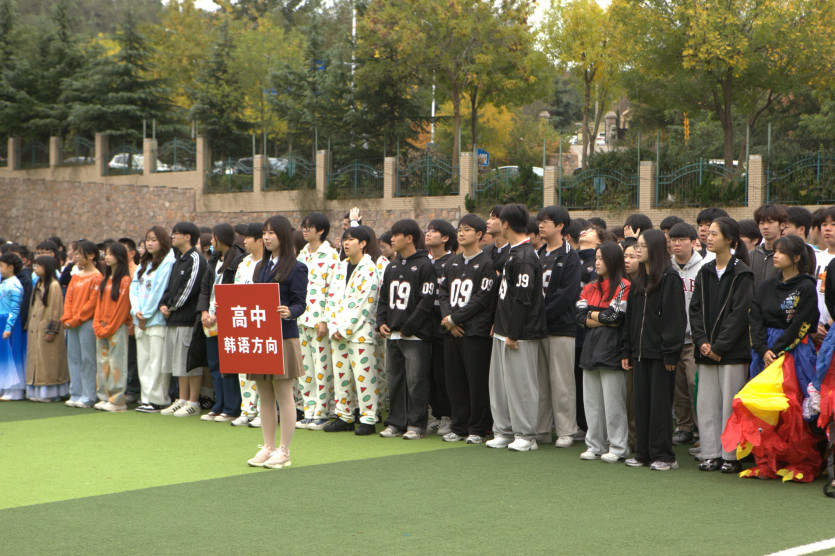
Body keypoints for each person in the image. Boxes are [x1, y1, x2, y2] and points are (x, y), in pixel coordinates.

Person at [725, 235, 821, 481]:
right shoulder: (766, 286)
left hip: (794, 352)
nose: (775, 255)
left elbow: (802, 323)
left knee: (793, 406)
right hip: (763, 352)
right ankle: (767, 461)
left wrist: (778, 350)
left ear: (796, 257)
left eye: (782, 252)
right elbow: (754, 317)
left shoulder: (806, 287)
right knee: (764, 407)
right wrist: (761, 348)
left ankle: (799, 462)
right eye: (775, 251)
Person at [688, 217, 753, 473]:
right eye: (708, 233)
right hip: (705, 352)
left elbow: (740, 314)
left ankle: (731, 456)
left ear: (729, 239)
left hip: (732, 353)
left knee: (729, 406)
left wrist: (719, 347)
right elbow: (695, 310)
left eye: (715, 234)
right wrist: (702, 342)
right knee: (706, 405)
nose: (709, 237)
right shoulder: (704, 271)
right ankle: (710, 454)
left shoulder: (742, 273)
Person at [621, 229, 686, 471]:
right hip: (640, 352)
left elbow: (675, 319)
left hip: (661, 355)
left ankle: (665, 455)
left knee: (660, 405)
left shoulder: (670, 278)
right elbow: (631, 318)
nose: (638, 250)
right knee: (641, 404)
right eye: (637, 246)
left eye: (642, 246)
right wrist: (627, 350)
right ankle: (643, 453)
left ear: (655, 248)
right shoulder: (639, 278)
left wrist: (670, 352)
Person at [246, 216, 308, 469]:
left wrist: (290, 311)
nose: (267, 237)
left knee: (284, 394)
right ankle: (268, 446)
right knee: (264, 394)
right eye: (264, 232)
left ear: (283, 235)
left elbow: (300, 302)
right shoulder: (260, 266)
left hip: (283, 336)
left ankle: (284, 450)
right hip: (262, 336)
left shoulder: (297, 267)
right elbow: (253, 298)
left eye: (271, 232)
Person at [486, 204, 547, 452]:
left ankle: (526, 435)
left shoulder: (524, 257)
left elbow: (523, 299)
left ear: (506, 224)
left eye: (497, 219)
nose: (493, 223)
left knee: (521, 385)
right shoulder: (514, 252)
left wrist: (513, 333)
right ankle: (504, 430)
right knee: (500, 386)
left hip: (520, 334)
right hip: (504, 330)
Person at [439, 214, 499, 443]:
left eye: (466, 229)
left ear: (479, 234)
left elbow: (482, 299)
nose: (461, 233)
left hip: (475, 333)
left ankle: (477, 429)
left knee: (476, 383)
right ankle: (459, 426)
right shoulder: (452, 262)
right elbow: (443, 293)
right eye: (459, 229)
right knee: (455, 382)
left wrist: (455, 318)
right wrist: (448, 320)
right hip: (452, 332)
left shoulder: (486, 264)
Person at [376, 219, 436, 440]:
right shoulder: (392, 266)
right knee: (395, 381)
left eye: (396, 235)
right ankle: (396, 422)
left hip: (416, 337)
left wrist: (409, 326)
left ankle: (416, 425)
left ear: (409, 238)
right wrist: (381, 321)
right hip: (392, 335)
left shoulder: (425, 265)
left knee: (416, 382)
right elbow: (383, 299)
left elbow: (426, 301)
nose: (392, 239)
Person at [324, 226, 382, 435]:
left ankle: (368, 418)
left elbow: (364, 304)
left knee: (364, 377)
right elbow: (331, 298)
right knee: (341, 377)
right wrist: (334, 326)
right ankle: (344, 416)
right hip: (337, 332)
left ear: (363, 243)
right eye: (344, 239)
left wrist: (345, 328)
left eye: (351, 239)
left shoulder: (370, 269)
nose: (346, 243)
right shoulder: (340, 267)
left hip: (361, 333)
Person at [576, 240, 631, 462]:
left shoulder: (624, 286)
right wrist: (601, 316)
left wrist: (592, 314)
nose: (597, 263)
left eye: (601, 258)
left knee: (613, 403)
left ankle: (618, 447)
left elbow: (615, 317)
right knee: (592, 403)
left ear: (613, 260)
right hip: (590, 351)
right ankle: (594, 445)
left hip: (612, 351)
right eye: (596, 258)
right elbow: (579, 318)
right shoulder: (590, 287)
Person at [536, 205, 581, 448]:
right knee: (540, 382)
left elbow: (567, 294)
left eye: (546, 221)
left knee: (562, 382)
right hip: (537, 329)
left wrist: (541, 316)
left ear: (560, 226)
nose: (541, 225)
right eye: (540, 221)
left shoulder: (569, 255)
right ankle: (542, 429)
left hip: (561, 328)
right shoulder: (538, 254)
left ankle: (566, 430)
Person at [295, 212, 340, 430]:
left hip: (318, 320)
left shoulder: (331, 256)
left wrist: (324, 319)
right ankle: (309, 410)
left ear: (320, 230)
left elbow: (333, 290)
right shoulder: (301, 255)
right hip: (299, 318)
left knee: (322, 367)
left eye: (309, 227)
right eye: (303, 226)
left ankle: (322, 411)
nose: (305, 230)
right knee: (305, 368)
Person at [159, 222, 208, 417]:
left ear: (188, 237)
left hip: (188, 319)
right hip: (174, 319)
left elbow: (189, 289)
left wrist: (171, 307)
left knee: (189, 362)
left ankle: (193, 401)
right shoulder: (178, 259)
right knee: (178, 362)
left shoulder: (196, 259)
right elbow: (170, 286)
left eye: (176, 233)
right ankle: (182, 399)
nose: (173, 236)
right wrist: (163, 304)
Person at [198, 223, 246, 423]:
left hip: (228, 318)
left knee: (230, 364)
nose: (211, 241)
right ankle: (218, 405)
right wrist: (203, 312)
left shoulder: (238, 259)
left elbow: (235, 292)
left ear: (222, 238)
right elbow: (205, 288)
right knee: (214, 363)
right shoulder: (213, 260)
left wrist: (219, 313)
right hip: (209, 319)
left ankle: (231, 408)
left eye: (214, 237)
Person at [130, 227, 176, 413]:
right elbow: (134, 288)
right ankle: (146, 398)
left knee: (157, 362)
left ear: (163, 242)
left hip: (156, 320)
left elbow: (159, 290)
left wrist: (146, 314)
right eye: (147, 239)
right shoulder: (144, 263)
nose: (149, 243)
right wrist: (136, 311)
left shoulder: (168, 261)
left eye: (154, 240)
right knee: (143, 361)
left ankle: (158, 399)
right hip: (140, 319)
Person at [667, 222, 704, 447]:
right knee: (677, 385)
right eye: (673, 239)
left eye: (682, 239)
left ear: (693, 242)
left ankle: (701, 427)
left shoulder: (703, 267)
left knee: (694, 383)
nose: (677, 244)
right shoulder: (667, 267)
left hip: (693, 338)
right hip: (672, 338)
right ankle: (683, 427)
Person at [425, 218, 457, 435]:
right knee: (429, 374)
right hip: (424, 326)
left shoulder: (452, 263)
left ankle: (448, 416)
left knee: (444, 373)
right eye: (427, 230)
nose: (428, 234)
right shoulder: (424, 262)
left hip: (445, 327)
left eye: (434, 231)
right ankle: (436, 414)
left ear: (445, 238)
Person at [61, 241, 103, 408]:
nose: (76, 257)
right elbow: (68, 298)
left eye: (79, 253)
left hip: (87, 322)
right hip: (72, 322)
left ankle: (88, 395)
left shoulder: (97, 277)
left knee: (88, 359)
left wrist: (75, 319)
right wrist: (67, 317)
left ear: (91, 255)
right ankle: (76, 393)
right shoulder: (76, 276)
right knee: (73, 358)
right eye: (75, 253)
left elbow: (92, 304)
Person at [231, 223, 264, 427]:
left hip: (261, 321)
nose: (244, 241)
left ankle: (263, 411)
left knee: (262, 369)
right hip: (243, 320)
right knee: (244, 368)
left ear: (259, 241)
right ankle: (247, 409)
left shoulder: (269, 263)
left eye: (248, 238)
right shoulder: (243, 263)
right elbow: (235, 290)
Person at [92, 242, 132, 412]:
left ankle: (118, 400)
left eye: (110, 254)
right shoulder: (105, 279)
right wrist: (97, 324)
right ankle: (104, 396)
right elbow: (99, 305)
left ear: (119, 257)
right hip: (102, 327)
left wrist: (109, 327)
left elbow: (122, 308)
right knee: (103, 363)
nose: (107, 257)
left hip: (117, 328)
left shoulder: (125, 281)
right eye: (106, 254)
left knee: (117, 363)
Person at [26, 256, 69, 402]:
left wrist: (52, 330)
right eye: (34, 265)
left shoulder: (54, 286)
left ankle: (50, 392)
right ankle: (37, 391)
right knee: (37, 360)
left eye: (38, 265)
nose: (35, 268)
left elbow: (56, 310)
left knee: (48, 362)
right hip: (35, 328)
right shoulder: (38, 284)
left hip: (46, 328)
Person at [0, 253, 25, 400]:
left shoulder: (15, 285)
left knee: (12, 355)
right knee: (3, 356)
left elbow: (15, 308)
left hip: (9, 322)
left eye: (1, 266)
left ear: (11, 267)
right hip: (1, 320)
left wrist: (9, 327)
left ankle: (14, 390)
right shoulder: (4, 283)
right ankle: (4, 386)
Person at [750, 204, 788, 291]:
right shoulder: (752, 255)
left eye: (770, 222)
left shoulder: (788, 255)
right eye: (762, 223)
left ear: (782, 225)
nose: (765, 227)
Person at [813, 207, 835, 346]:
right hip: (814, 329)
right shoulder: (815, 258)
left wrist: (828, 325)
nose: (827, 228)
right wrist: (812, 327)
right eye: (824, 224)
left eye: (833, 224)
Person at [482, 205, 510, 272]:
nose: (488, 221)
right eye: (489, 218)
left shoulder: (514, 251)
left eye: (493, 218)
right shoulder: (485, 251)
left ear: (505, 223)